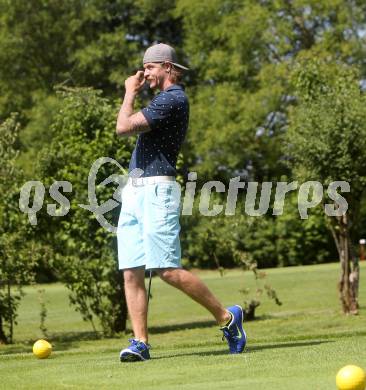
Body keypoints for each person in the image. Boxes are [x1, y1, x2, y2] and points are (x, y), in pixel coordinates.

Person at [115, 43, 246, 362]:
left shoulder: (174, 99)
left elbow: (122, 127)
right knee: (131, 271)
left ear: (169, 68)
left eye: (151, 67)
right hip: (134, 189)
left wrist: (129, 92)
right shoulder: (160, 100)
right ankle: (140, 343)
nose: (145, 73)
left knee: (166, 270)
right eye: (143, 68)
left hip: (157, 190)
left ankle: (227, 319)